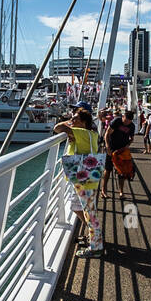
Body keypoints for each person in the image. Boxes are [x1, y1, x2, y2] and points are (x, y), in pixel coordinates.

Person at [59, 107, 107, 254]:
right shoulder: (91, 133)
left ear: (84, 123)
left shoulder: (81, 132)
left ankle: (96, 248)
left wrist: (68, 126)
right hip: (86, 178)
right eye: (72, 118)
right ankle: (94, 236)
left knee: (90, 212)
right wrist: (72, 128)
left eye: (75, 119)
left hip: (83, 178)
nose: (72, 121)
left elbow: (57, 127)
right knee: (78, 208)